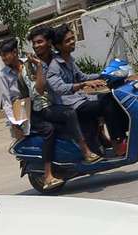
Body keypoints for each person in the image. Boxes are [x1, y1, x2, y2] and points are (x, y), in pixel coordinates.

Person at [46, 23, 128, 157]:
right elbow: (59, 88)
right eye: (68, 41)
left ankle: (122, 136)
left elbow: (82, 76)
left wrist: (105, 74)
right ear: (58, 46)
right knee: (107, 103)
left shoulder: (69, 59)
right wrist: (83, 84)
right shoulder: (54, 66)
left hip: (81, 99)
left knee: (113, 96)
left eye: (72, 38)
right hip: (71, 105)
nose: (72, 42)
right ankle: (117, 143)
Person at [26, 27, 101, 165]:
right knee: (70, 113)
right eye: (34, 43)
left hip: (58, 101)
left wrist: (102, 75)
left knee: (95, 103)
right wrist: (39, 66)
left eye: (39, 42)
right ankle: (86, 152)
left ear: (49, 42)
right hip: (42, 107)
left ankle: (101, 141)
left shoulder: (57, 57)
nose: (36, 46)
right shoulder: (31, 64)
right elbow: (40, 90)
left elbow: (78, 76)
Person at [0, 38, 64, 190]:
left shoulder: (28, 63)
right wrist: (15, 124)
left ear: (14, 52)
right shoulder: (3, 75)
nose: (3, 58)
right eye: (1, 56)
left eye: (5, 55)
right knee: (48, 130)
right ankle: (47, 175)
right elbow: (7, 101)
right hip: (21, 109)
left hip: (40, 102)